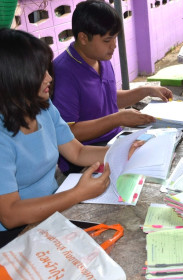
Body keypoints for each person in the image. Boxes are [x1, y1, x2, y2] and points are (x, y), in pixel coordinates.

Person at [0, 28, 115, 239]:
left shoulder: (42, 107)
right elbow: (10, 214)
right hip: (15, 234)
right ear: (13, 77)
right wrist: (78, 193)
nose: (49, 78)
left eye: (47, 69)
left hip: (53, 209)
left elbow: (77, 152)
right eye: (39, 72)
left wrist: (122, 150)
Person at [52, 0, 173, 174]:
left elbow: (107, 98)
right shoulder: (63, 72)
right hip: (85, 156)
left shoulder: (100, 57)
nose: (114, 45)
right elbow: (69, 132)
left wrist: (146, 90)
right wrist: (117, 119)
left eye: (115, 37)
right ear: (83, 38)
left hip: (115, 139)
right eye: (107, 40)